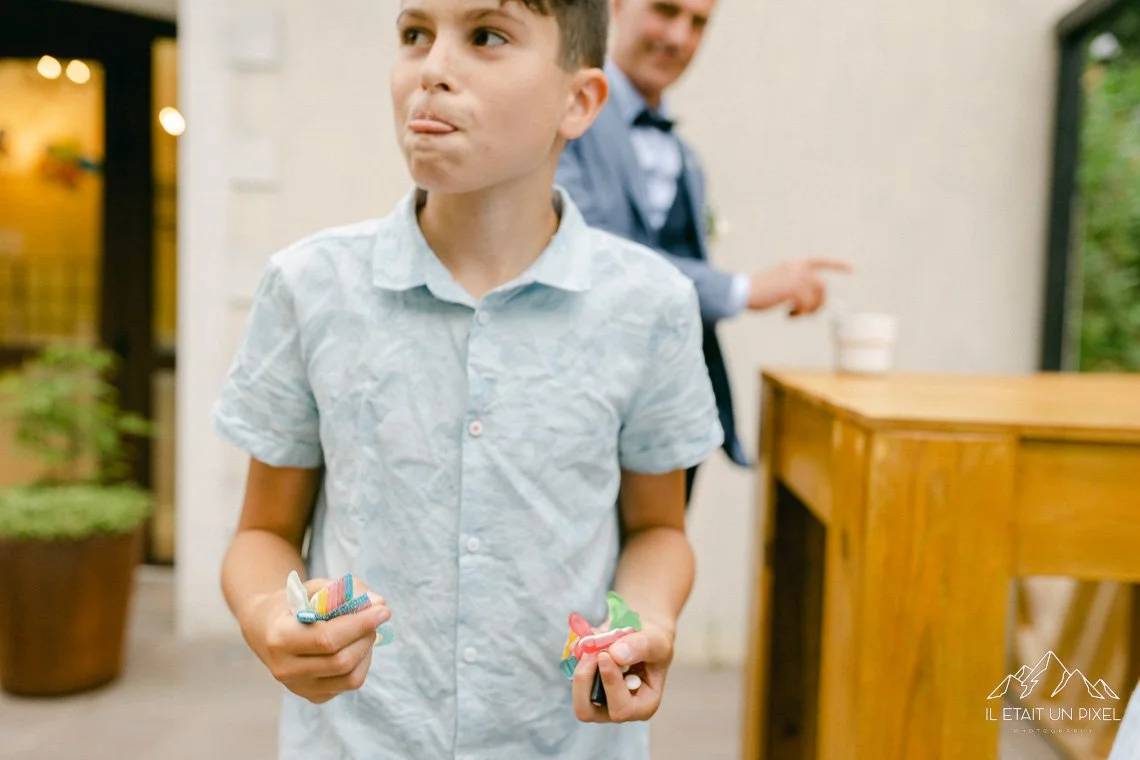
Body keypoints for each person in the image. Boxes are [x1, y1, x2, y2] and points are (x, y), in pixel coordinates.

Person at [212, 1, 723, 758]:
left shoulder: (651, 306)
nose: (433, 69)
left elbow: (658, 529)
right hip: (357, 741)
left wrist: (645, 623)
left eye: (486, 36)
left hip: (564, 742)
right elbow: (263, 532)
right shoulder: (309, 285)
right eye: (415, 34)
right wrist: (269, 614)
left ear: (578, 101)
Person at [556, 0, 850, 503]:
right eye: (665, 10)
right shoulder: (565, 114)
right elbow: (591, 251)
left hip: (668, 421)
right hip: (586, 415)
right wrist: (745, 290)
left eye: (697, 23)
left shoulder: (687, 160)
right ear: (618, 6)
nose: (679, 38)